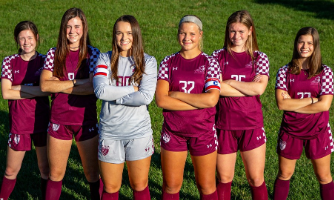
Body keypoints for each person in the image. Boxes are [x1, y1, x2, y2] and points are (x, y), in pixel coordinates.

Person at [155, 15, 221, 200]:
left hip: (203, 132)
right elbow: (161, 100)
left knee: (206, 186)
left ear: (200, 35)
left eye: (192, 33)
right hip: (173, 132)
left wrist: (176, 95)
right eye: (182, 33)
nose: (187, 38)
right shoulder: (168, 62)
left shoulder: (210, 62)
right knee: (171, 186)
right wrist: (197, 101)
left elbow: (211, 100)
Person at [39, 8, 101, 200]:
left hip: (85, 120)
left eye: (76, 26)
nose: (72, 31)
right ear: (62, 29)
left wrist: (59, 84)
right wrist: (77, 83)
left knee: (92, 175)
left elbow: (93, 88)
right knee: (55, 175)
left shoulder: (92, 54)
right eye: (68, 27)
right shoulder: (54, 53)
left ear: (84, 28)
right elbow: (44, 85)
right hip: (59, 120)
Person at [93, 15, 157, 200]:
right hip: (110, 132)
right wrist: (132, 88)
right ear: (114, 35)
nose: (124, 38)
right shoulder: (104, 58)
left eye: (129, 33)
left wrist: (116, 98)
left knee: (139, 184)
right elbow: (100, 91)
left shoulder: (148, 61)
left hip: (138, 132)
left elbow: (145, 97)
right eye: (119, 33)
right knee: (111, 187)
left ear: (136, 34)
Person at [212, 10, 269, 200]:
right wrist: (248, 87)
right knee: (224, 178)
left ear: (250, 31)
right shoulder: (217, 56)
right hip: (224, 124)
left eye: (241, 31)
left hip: (251, 124)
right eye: (232, 31)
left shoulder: (260, 58)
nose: (236, 36)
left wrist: (231, 83)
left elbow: (259, 90)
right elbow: (216, 89)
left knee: (255, 178)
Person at [274, 27, 334, 200]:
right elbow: (280, 104)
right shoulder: (284, 71)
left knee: (323, 176)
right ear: (295, 43)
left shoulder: (325, 72)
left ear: (315, 46)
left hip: (318, 130)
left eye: (309, 43)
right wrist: (311, 100)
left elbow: (324, 106)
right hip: (291, 130)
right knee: (285, 173)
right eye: (301, 42)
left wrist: (291, 104)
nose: (304, 46)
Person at [0, 21, 50, 200]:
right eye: (22, 38)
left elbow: (48, 90)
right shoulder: (9, 61)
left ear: (37, 38)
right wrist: (35, 90)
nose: (26, 42)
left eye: (30, 37)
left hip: (41, 121)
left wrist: (18, 87)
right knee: (11, 170)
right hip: (19, 123)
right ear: (16, 40)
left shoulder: (45, 60)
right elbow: (6, 93)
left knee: (45, 169)